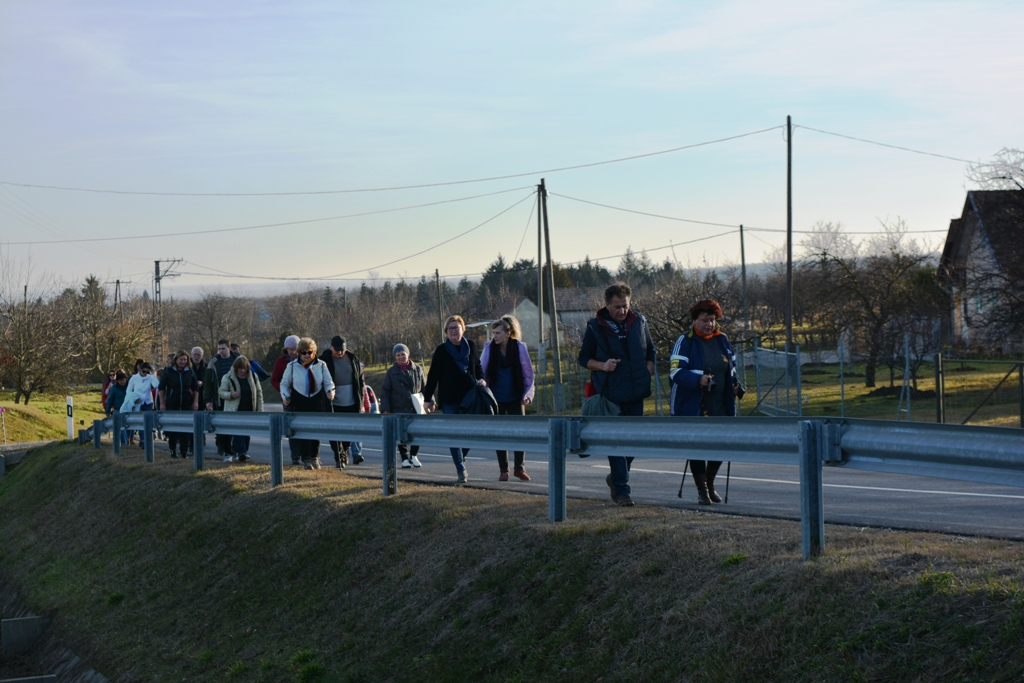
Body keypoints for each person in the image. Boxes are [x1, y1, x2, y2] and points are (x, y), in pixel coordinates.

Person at [578, 283, 656, 507]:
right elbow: (584, 358)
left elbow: (650, 350)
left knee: (633, 443)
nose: (622, 311)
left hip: (636, 392)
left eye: (625, 306)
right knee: (616, 443)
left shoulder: (639, 321)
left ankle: (615, 478)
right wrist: (602, 365)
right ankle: (622, 490)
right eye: (616, 307)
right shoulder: (595, 327)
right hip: (611, 394)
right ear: (607, 305)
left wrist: (647, 371)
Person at [669, 299, 745, 505]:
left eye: (712, 320)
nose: (709, 324)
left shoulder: (722, 340)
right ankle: (702, 490)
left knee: (720, 445)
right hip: (693, 403)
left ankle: (710, 483)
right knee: (696, 447)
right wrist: (698, 380)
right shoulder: (685, 341)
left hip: (720, 403)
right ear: (694, 320)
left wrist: (736, 386)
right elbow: (676, 372)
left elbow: (732, 369)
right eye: (704, 320)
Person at [423, 315, 486, 484]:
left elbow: (477, 366)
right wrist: (428, 398)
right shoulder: (442, 350)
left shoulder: (471, 346)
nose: (453, 331)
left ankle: (460, 458)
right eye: (450, 328)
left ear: (462, 329)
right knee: (453, 434)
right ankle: (460, 469)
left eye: (456, 328)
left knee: (471, 433)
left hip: (470, 398)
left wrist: (482, 379)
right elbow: (433, 376)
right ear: (446, 332)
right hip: (449, 400)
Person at [480, 315, 535, 481]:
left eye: (498, 333)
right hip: (496, 398)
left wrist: (527, 395)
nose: (494, 336)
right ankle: (504, 470)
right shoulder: (490, 348)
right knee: (499, 434)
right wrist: (482, 383)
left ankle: (519, 468)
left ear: (508, 334)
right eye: (493, 333)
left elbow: (528, 374)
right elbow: (482, 369)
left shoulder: (519, 348)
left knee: (520, 433)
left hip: (515, 397)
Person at [279, 337, 336, 469]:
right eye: (303, 352)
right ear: (299, 353)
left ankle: (315, 456)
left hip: (316, 400)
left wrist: (330, 391)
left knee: (316, 429)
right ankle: (307, 458)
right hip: (299, 400)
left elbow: (329, 382)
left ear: (314, 352)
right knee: (303, 429)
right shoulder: (292, 366)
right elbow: (284, 384)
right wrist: (285, 396)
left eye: (309, 352)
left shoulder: (321, 365)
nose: (307, 355)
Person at [320, 335, 366, 469]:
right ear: (331, 347)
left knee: (349, 430)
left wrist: (361, 402)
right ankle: (338, 456)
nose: (340, 352)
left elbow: (360, 381)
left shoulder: (353, 358)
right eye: (337, 350)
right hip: (333, 401)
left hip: (351, 400)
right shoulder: (324, 360)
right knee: (334, 431)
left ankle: (344, 451)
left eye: (342, 350)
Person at [380, 343, 426, 468]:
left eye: (403, 354)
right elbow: (385, 391)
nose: (401, 357)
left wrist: (430, 402)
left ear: (408, 354)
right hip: (398, 407)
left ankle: (414, 455)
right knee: (401, 433)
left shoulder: (417, 369)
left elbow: (425, 387)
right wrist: (385, 408)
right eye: (398, 355)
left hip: (416, 406)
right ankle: (405, 457)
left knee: (417, 432)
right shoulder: (391, 372)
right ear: (395, 357)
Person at [219, 355, 264, 462]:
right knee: (237, 431)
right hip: (234, 410)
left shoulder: (253, 377)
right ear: (236, 368)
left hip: (249, 409)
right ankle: (242, 452)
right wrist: (231, 394)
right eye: (240, 368)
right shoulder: (228, 377)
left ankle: (243, 452)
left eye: (244, 368)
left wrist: (260, 411)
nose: (242, 371)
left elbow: (259, 394)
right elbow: (221, 392)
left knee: (246, 433)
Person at [158, 350, 200, 458]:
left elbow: (196, 388)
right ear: (176, 360)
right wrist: (162, 403)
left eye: (185, 360)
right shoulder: (168, 371)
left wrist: (195, 402)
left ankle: (184, 452)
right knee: (173, 430)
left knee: (186, 430)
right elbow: (161, 388)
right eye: (181, 359)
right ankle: (172, 450)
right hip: (172, 404)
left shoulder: (190, 371)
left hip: (187, 404)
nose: (183, 362)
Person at [204, 339, 239, 459]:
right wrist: (208, 400)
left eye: (223, 348)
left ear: (229, 348)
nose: (221, 351)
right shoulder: (214, 362)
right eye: (219, 349)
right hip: (220, 398)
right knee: (223, 426)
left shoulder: (237, 360)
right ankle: (225, 449)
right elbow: (208, 382)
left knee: (236, 425)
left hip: (236, 398)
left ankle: (237, 450)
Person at [271, 335, 301, 466]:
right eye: (290, 349)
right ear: (286, 349)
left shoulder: (304, 359)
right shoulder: (280, 362)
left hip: (304, 398)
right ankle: (295, 456)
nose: (293, 352)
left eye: (295, 349)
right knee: (291, 426)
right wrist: (284, 392)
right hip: (288, 399)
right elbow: (274, 380)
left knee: (304, 426)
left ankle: (307, 454)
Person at [126, 362, 160, 450]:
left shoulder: (150, 377)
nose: (145, 374)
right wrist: (134, 398)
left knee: (148, 421)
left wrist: (153, 375)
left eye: (147, 372)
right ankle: (143, 440)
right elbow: (128, 391)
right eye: (144, 371)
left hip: (148, 403)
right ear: (140, 370)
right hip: (138, 403)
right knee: (141, 422)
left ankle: (145, 440)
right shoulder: (134, 378)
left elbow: (156, 385)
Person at [105, 370, 129, 445]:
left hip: (128, 410)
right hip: (118, 409)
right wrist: (107, 411)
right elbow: (110, 400)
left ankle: (127, 441)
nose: (122, 382)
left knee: (128, 427)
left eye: (123, 380)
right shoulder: (114, 388)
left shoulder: (129, 386)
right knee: (120, 427)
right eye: (120, 380)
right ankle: (124, 443)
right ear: (117, 381)